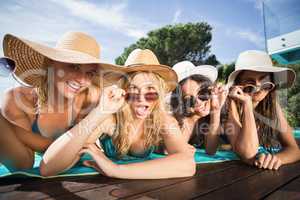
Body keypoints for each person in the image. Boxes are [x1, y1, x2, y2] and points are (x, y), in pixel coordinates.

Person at [40, 49, 196, 179]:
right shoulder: (109, 119)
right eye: (134, 90)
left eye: (150, 91)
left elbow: (188, 164)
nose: (141, 99)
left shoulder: (164, 120)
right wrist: (100, 112)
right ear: (124, 91)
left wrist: (115, 170)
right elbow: (48, 168)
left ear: (159, 94)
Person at [0, 31, 124, 169]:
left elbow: (70, 150)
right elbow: (22, 163)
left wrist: (14, 130)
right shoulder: (18, 99)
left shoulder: (91, 98)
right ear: (50, 63)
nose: (82, 80)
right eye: (74, 66)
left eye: (90, 73)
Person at [225, 50, 300, 170]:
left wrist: (276, 159)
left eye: (264, 81)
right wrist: (247, 104)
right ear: (237, 85)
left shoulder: (272, 105)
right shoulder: (230, 105)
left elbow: (294, 149)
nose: (258, 86)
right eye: (250, 83)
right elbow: (248, 153)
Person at [170, 61, 227, 155]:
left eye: (203, 94)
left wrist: (216, 111)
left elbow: (211, 151)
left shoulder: (208, 119)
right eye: (189, 100)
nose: (198, 102)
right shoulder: (175, 121)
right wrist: (187, 118)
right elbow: (172, 150)